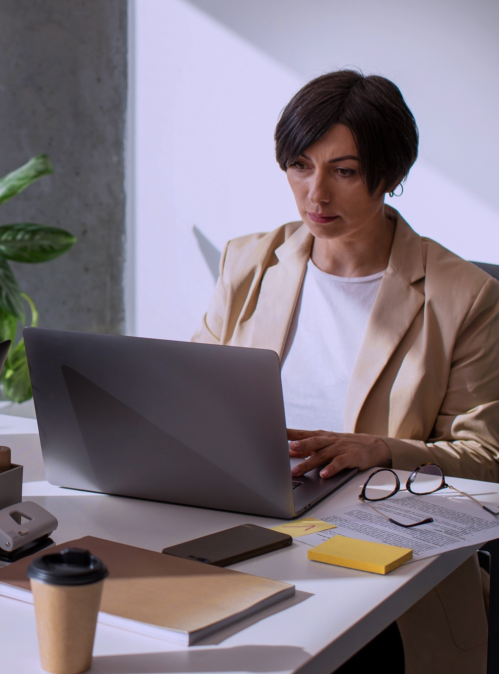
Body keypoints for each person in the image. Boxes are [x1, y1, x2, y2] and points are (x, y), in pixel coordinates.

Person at [194, 70, 499, 673]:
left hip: (385, 567)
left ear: (391, 175)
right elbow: (192, 397)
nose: (316, 195)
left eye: (345, 171)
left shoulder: (464, 295)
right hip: (250, 529)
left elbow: (487, 456)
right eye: (300, 165)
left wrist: (381, 449)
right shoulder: (249, 260)